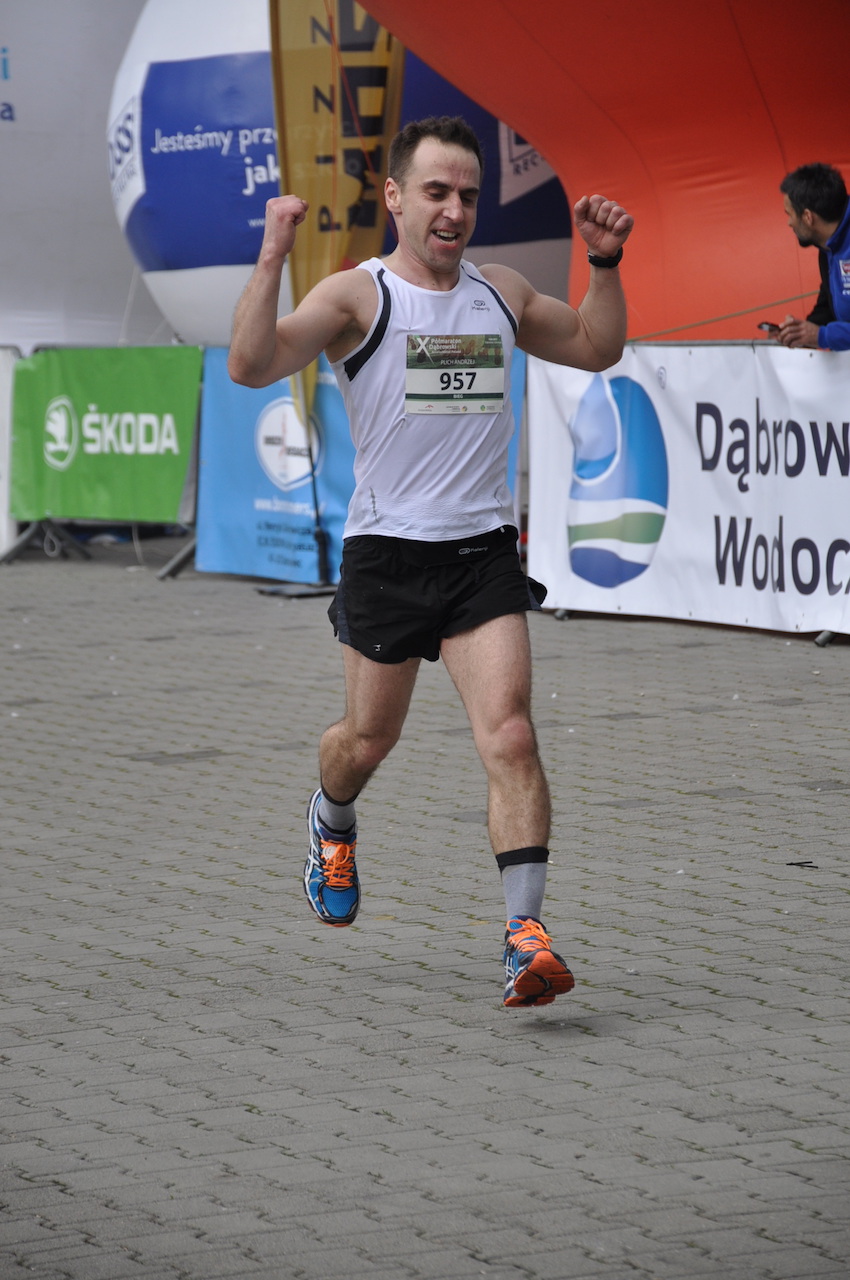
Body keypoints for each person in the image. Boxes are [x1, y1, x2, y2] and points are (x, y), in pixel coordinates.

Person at [228, 116, 633, 1008]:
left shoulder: (502, 293)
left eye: (469, 196)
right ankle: (332, 819)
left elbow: (597, 347)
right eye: (437, 192)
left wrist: (603, 265)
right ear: (395, 198)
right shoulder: (357, 297)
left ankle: (524, 939)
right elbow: (251, 365)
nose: (454, 211)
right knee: (367, 742)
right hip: (387, 555)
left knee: (511, 734)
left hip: (481, 552)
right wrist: (272, 255)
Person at [777, 163, 849, 350]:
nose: (789, 223)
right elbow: (828, 308)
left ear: (808, 217)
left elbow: (824, 333)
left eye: (789, 214)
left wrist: (823, 336)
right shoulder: (827, 248)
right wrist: (798, 333)